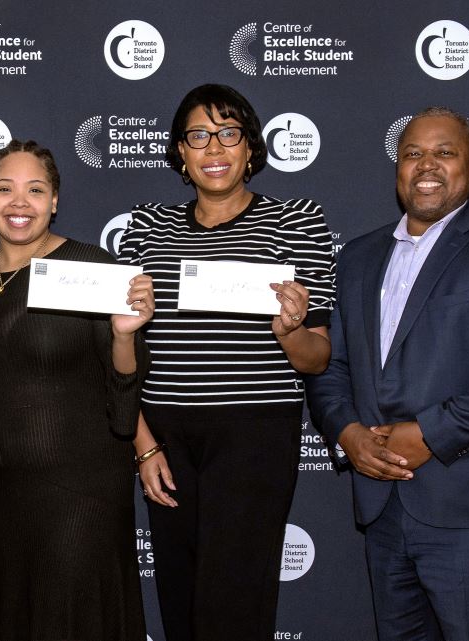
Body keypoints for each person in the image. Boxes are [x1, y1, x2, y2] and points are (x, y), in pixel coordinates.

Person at [306, 107, 469, 641]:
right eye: (413, 153)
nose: (428, 165)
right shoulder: (356, 257)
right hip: (382, 504)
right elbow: (334, 366)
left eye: (445, 153)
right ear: (397, 168)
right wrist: (347, 434)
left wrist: (430, 433)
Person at [119, 83, 336, 640]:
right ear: (180, 153)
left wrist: (289, 331)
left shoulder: (298, 223)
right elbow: (118, 351)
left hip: (254, 433)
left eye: (229, 133)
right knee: (180, 600)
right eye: (198, 136)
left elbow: (316, 359)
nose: (214, 148)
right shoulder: (145, 230)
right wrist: (144, 445)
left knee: (235, 604)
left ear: (250, 148)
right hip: (165, 435)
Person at [0, 141, 153, 640]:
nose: (20, 203)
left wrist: (124, 335)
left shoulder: (91, 268)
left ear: (55, 200)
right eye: (5, 189)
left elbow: (123, 406)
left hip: (80, 493)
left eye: (35, 190)